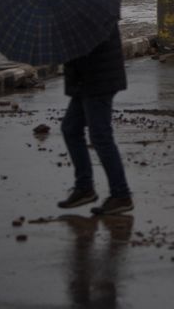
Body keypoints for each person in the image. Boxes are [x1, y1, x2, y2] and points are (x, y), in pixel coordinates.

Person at [57, 25, 134, 215]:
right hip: (87, 80)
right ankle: (85, 188)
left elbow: (85, 48)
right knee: (71, 129)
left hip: (98, 79)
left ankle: (121, 195)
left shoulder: (86, 15)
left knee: (101, 136)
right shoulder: (84, 9)